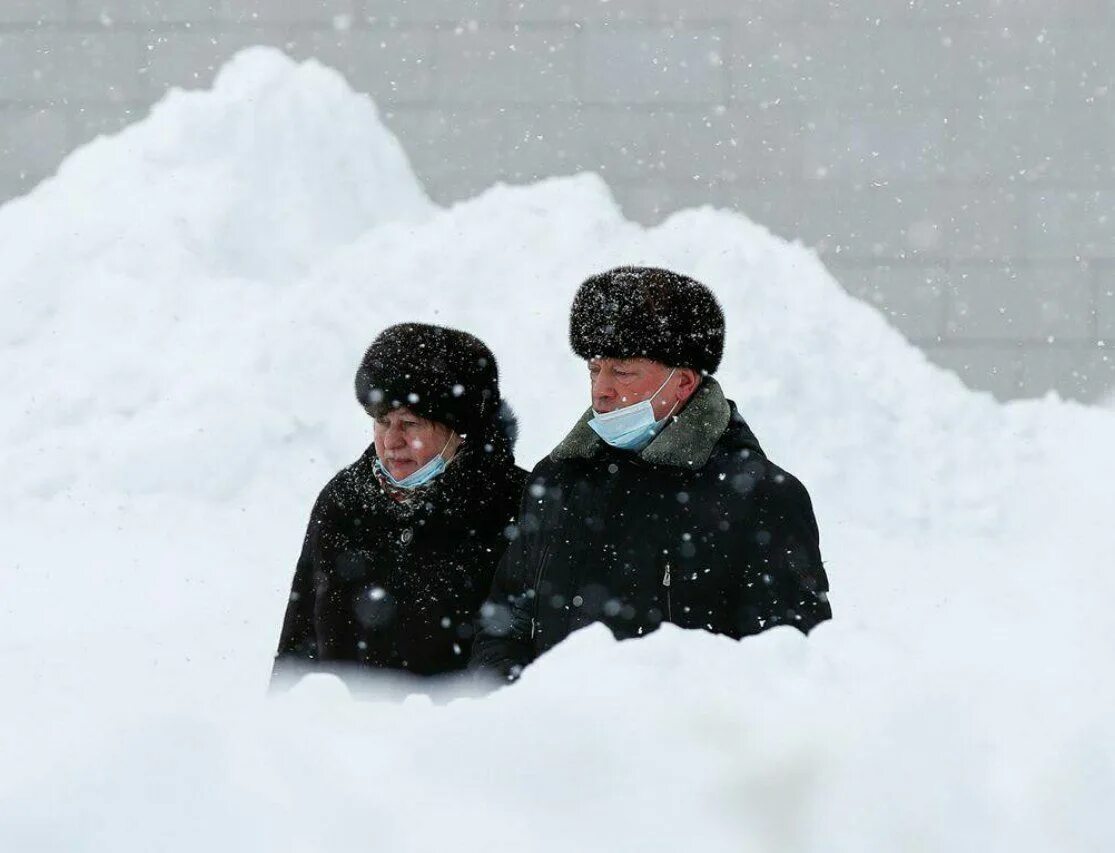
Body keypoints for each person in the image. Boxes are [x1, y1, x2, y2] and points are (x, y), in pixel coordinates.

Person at [470, 266, 831, 683]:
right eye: (594, 370)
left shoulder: (759, 497)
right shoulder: (556, 481)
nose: (601, 390)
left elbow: (788, 665)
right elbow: (503, 627)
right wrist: (519, 699)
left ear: (683, 383)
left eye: (622, 372)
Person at [272, 323, 526, 685]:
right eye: (382, 421)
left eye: (410, 423)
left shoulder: (515, 505)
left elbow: (535, 658)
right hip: (343, 721)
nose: (392, 441)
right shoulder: (343, 502)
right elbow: (298, 646)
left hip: (462, 720)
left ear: (459, 431)